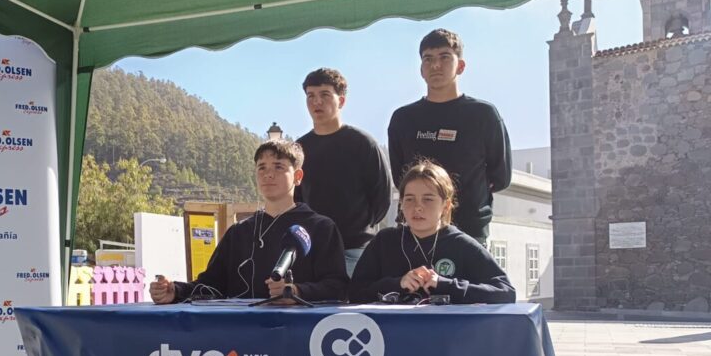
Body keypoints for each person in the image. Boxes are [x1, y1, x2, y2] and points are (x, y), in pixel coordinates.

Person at [150, 139, 347, 304]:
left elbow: (338, 287)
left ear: (298, 176)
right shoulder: (238, 233)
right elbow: (211, 285)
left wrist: (297, 291)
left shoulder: (321, 228)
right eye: (262, 167)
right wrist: (175, 291)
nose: (268, 174)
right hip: (241, 333)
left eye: (278, 167)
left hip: (300, 333)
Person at [387, 28, 512, 245]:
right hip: (415, 234)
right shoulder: (403, 119)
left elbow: (500, 177)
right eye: (428, 59)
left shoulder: (483, 115)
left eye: (444, 57)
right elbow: (401, 178)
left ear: (460, 66)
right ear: (421, 70)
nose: (435, 65)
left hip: (469, 234)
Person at [349, 161, 515, 304]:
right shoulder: (384, 241)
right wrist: (398, 284)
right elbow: (355, 292)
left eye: (428, 199)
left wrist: (445, 285)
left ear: (446, 206)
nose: (418, 207)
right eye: (409, 199)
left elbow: (505, 292)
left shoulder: (462, 244)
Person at [296, 68, 391, 276]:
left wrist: (359, 228)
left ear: (341, 101)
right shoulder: (299, 149)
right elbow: (296, 199)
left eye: (324, 95)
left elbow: (382, 198)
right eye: (310, 96)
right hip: (313, 251)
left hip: (355, 251)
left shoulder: (363, 144)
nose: (316, 102)